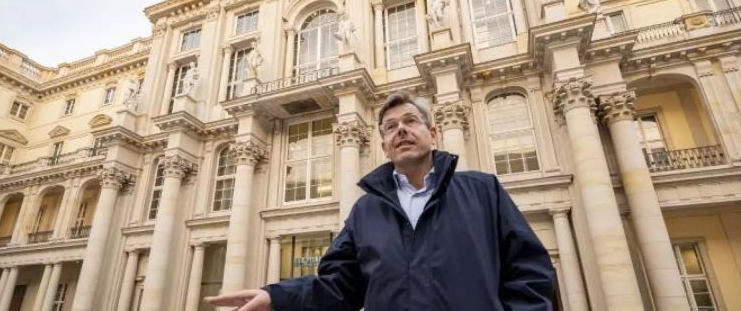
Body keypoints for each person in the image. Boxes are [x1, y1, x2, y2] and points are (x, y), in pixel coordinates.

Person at [205, 90, 555, 310]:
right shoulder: (365, 210)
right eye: (390, 127)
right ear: (384, 145)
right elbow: (337, 287)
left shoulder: (482, 191)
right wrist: (277, 297)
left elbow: (531, 272)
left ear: (432, 135)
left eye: (411, 121)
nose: (400, 129)